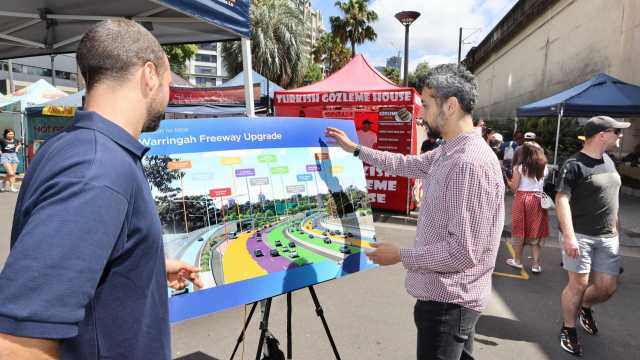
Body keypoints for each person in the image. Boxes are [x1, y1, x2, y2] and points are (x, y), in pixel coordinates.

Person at [0, 20, 202, 360]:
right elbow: (17, 343)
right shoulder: (97, 169)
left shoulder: (81, 149)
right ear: (149, 75)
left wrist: (144, 265)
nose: (168, 96)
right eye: (168, 84)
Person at [326, 64, 504, 360]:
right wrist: (355, 149)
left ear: (451, 105)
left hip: (449, 304)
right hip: (451, 300)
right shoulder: (450, 150)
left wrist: (400, 255)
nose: (420, 113)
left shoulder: (468, 163)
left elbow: (461, 252)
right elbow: (405, 165)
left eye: (426, 104)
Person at [555, 115, 630, 356]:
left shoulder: (609, 160)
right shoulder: (574, 164)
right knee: (578, 285)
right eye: (616, 132)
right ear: (602, 135)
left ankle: (584, 306)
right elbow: (561, 199)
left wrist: (617, 228)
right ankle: (568, 329)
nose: (620, 136)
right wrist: (569, 236)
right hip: (580, 235)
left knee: (607, 288)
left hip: (608, 237)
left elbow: (612, 199)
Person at [506, 142, 550, 273]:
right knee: (537, 231)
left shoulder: (520, 167)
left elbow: (514, 188)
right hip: (538, 199)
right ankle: (536, 265)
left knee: (519, 230)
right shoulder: (545, 167)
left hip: (523, 199)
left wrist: (508, 182)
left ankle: (518, 261)